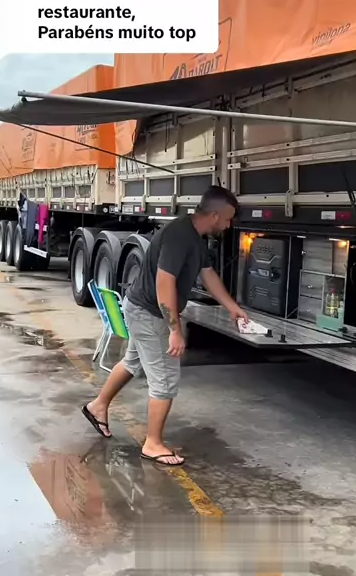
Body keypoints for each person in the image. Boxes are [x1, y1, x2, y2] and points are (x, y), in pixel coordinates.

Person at [82, 185, 249, 465]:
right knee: (165, 380)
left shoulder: (195, 237)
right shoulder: (180, 236)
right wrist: (175, 330)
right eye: (228, 219)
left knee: (132, 362)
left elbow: (208, 275)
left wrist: (232, 306)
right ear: (214, 216)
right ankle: (153, 443)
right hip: (149, 313)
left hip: (142, 308)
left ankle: (97, 406)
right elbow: (164, 284)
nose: (229, 225)